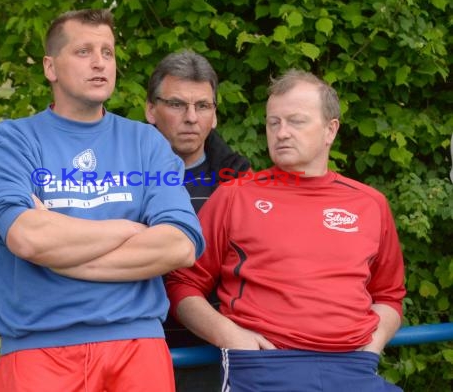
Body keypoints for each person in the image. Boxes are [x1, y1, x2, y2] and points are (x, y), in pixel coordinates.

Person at [0, 9, 205, 392]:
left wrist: (59, 250)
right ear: (50, 67)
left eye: (108, 52)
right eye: (83, 52)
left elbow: (179, 246)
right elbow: (28, 239)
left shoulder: (146, 143)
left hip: (138, 345)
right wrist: (130, 229)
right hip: (40, 348)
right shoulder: (11, 141)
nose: (100, 63)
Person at [166, 69, 406, 392]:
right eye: (273, 122)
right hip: (264, 366)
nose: (281, 133)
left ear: (330, 130)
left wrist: (374, 344)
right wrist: (232, 338)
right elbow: (181, 284)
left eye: (296, 121)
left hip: (354, 367)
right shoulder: (235, 196)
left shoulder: (370, 203)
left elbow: (389, 295)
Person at [146, 50, 251, 391]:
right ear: (151, 110)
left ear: (215, 115)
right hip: (139, 347)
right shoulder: (120, 177)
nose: (191, 117)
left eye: (202, 106)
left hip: (216, 353)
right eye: (176, 104)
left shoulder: (239, 182)